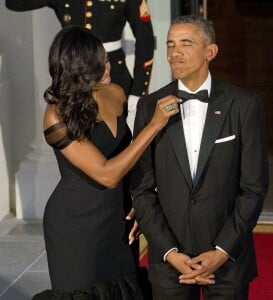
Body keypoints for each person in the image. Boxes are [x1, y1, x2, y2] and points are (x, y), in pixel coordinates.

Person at [31, 25, 179, 300]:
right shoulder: (55, 115)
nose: (108, 68)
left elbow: (131, 158)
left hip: (117, 220)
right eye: (100, 64)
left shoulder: (116, 93)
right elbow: (106, 174)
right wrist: (154, 125)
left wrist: (137, 201)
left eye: (107, 60)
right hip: (75, 229)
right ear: (79, 69)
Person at [130, 15, 269, 300]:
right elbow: (142, 189)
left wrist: (221, 251)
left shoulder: (243, 106)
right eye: (170, 45)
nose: (174, 53)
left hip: (228, 259)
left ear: (210, 52)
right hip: (170, 262)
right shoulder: (149, 107)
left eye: (185, 43)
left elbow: (254, 187)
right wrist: (169, 251)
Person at [5, 0, 155, 130]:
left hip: (113, 77)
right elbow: (14, 3)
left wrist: (138, 91)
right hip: (74, 84)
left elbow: (145, 41)